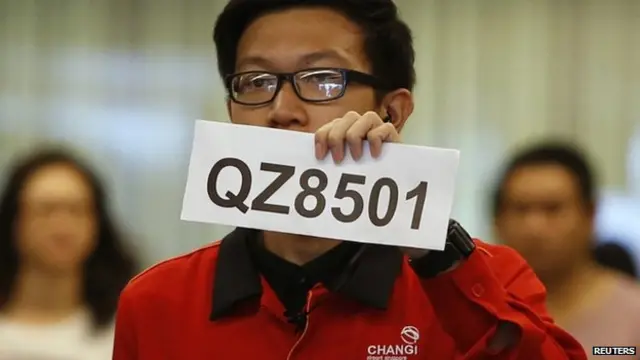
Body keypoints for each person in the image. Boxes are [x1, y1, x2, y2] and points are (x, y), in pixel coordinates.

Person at [113, 1, 586, 359]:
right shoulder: (157, 301)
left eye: (322, 78)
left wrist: (424, 230)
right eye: (255, 82)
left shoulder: (482, 277)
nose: (282, 111)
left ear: (393, 111)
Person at [492, 141, 640, 358]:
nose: (534, 227)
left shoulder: (633, 315)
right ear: (498, 220)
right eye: (520, 209)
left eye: (552, 209)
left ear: (590, 214)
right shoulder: (478, 310)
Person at [0, 148, 138, 360]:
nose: (62, 227)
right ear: (14, 220)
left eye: (76, 210)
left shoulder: (125, 330)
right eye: (45, 210)